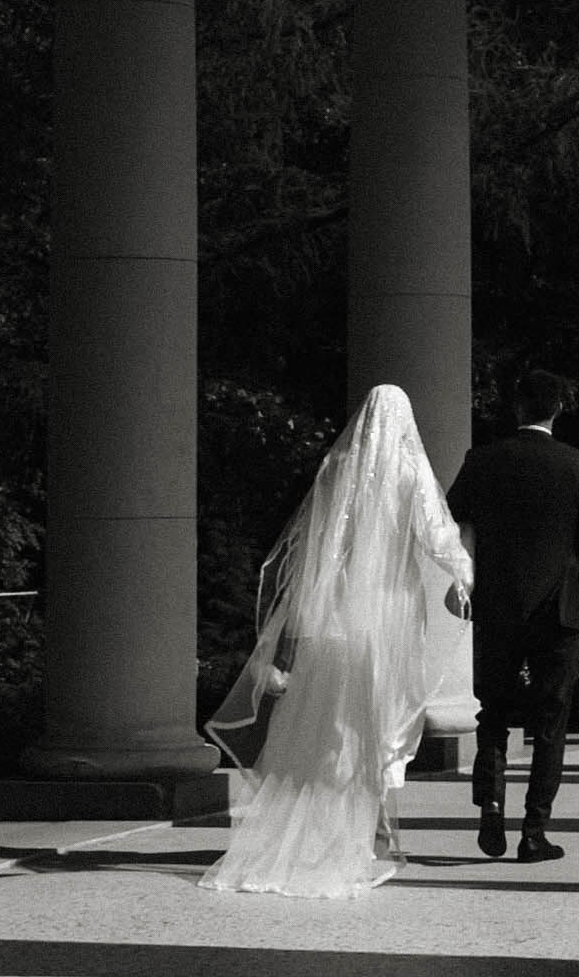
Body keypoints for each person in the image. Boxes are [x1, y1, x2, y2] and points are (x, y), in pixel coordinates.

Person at [200, 384, 471, 898]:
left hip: (333, 613)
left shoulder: (334, 469)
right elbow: (436, 534)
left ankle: (312, 830)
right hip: (386, 616)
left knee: (321, 722)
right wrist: (464, 573)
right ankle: (369, 835)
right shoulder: (408, 473)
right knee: (376, 721)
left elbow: (312, 545)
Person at [445, 367, 579, 861]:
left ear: (517, 408)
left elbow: (452, 517)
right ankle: (534, 832)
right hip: (558, 610)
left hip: (497, 607)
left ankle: (492, 809)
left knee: (493, 715)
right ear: (559, 409)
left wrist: (464, 577)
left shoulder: (482, 461)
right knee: (550, 722)